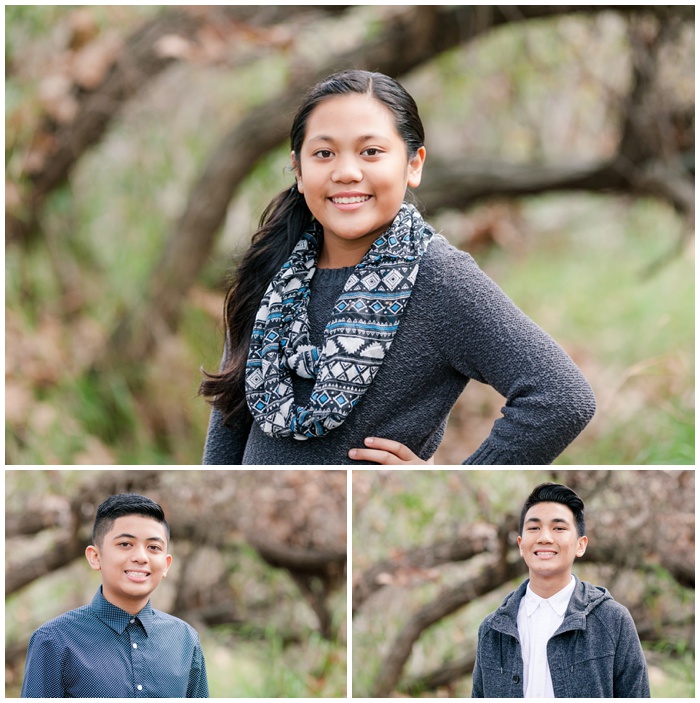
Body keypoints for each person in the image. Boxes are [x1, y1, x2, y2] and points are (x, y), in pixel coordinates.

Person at [201, 69, 596, 465]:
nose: (346, 172)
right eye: (324, 153)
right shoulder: (275, 276)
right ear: (299, 170)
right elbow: (228, 428)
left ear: (413, 165)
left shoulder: (440, 278)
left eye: (371, 151)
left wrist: (450, 486)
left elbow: (561, 398)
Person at [471, 482, 650, 698]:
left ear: (580, 545)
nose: (544, 538)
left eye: (559, 528)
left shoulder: (613, 620)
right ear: (520, 544)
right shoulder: (493, 630)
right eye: (534, 528)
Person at [21, 493, 209, 698]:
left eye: (154, 548)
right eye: (125, 544)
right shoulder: (54, 641)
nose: (140, 557)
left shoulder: (185, 640)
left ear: (166, 564)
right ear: (95, 557)